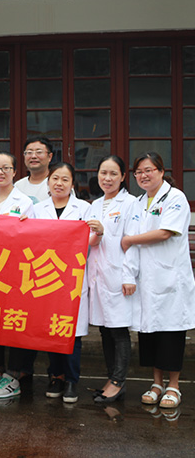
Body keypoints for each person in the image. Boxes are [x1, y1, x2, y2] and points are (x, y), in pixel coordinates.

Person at [121, 152, 195, 409]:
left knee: (171, 333)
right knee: (150, 332)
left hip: (171, 278)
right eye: (139, 172)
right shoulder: (138, 203)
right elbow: (131, 243)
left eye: (148, 170)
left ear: (161, 172)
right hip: (147, 280)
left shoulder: (175, 198)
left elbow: (165, 232)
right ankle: (156, 383)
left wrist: (130, 239)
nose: (143, 175)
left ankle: (174, 386)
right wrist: (129, 274)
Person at [33, 162, 95, 404]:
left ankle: (71, 380)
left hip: (72, 278)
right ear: (48, 182)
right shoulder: (37, 209)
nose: (59, 183)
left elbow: (93, 240)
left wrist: (98, 232)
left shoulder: (85, 209)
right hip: (47, 276)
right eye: (55, 178)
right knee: (52, 329)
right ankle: (56, 376)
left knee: (72, 331)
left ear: (72, 184)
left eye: (65, 179)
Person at [0, 152, 37, 399]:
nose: (0, 172)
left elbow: (34, 238)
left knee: (14, 321)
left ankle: (14, 375)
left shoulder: (25, 202)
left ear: (15, 172)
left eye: (6, 168)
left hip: (14, 271)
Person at [85, 155, 140, 404]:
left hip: (118, 276)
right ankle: (111, 379)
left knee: (118, 330)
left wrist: (129, 276)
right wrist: (97, 234)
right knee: (105, 329)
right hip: (98, 276)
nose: (107, 178)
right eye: (103, 173)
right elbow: (88, 240)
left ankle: (118, 382)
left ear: (123, 177)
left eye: (113, 174)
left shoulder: (130, 203)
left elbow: (132, 242)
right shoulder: (95, 205)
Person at [14, 136, 54, 203]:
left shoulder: (57, 184)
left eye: (39, 152)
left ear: (50, 156)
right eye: (29, 152)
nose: (33, 156)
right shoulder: (18, 186)